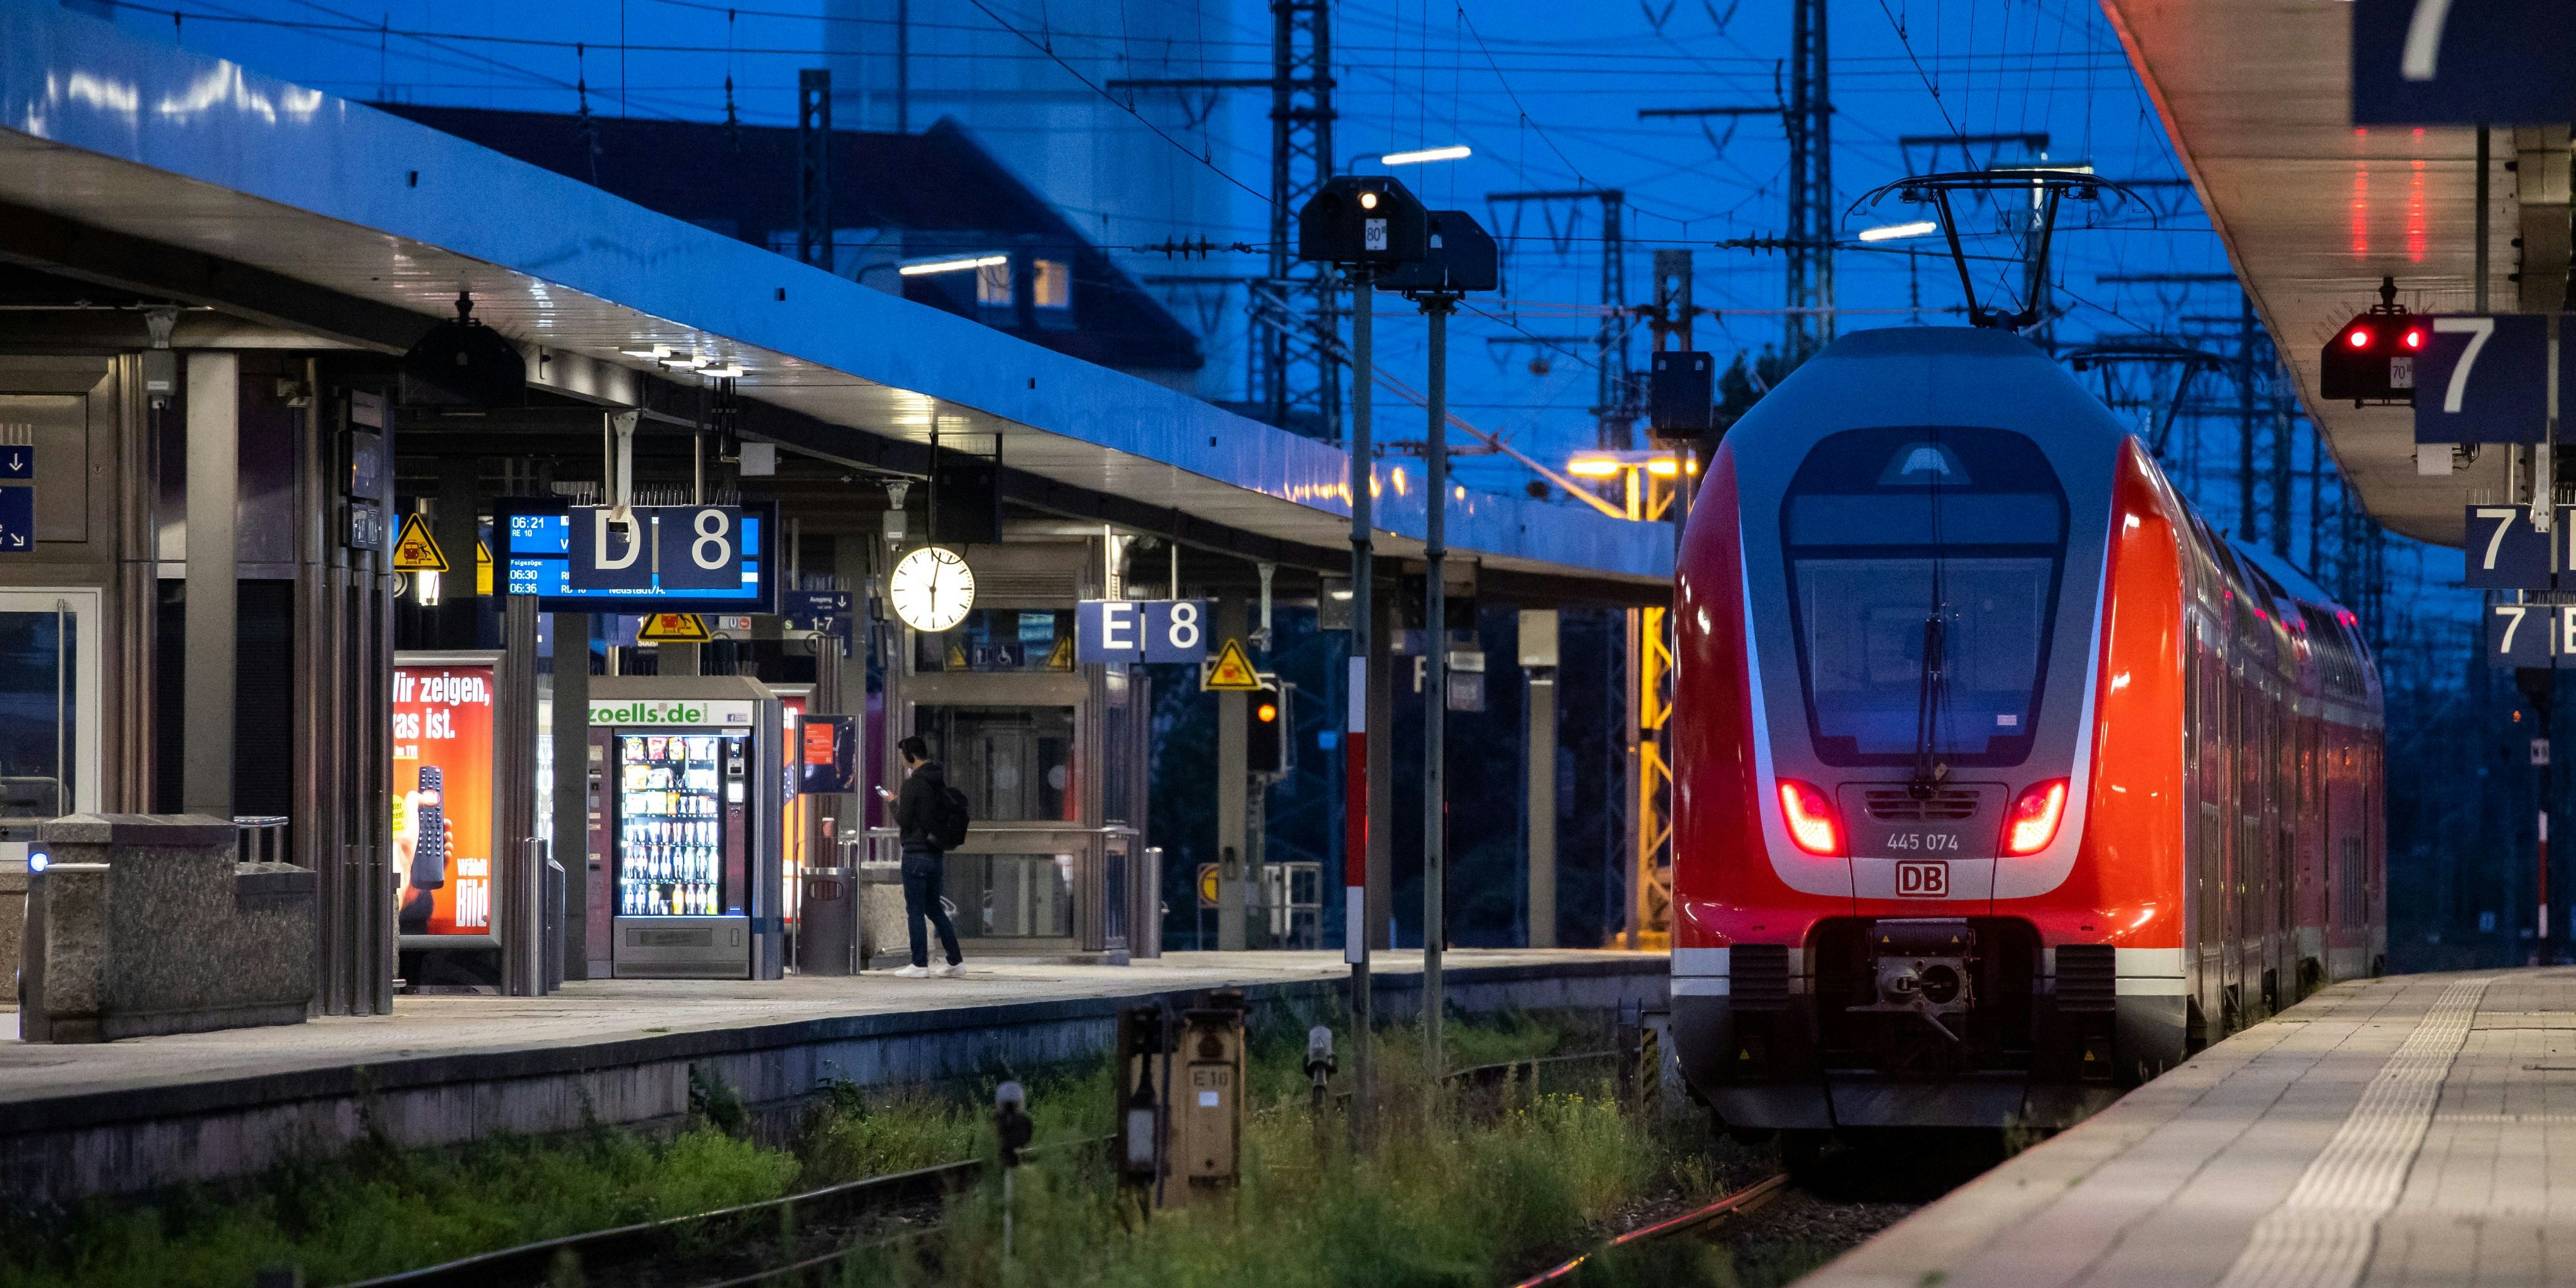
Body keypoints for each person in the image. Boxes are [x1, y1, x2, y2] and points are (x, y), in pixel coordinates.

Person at [891, 734, 965, 978]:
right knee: (934, 909)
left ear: (911, 756)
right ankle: (955, 961)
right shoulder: (937, 781)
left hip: (915, 853)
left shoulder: (912, 784)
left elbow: (903, 819)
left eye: (903, 755)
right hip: (935, 853)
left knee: (915, 910)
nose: (902, 760)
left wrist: (892, 802)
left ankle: (919, 964)